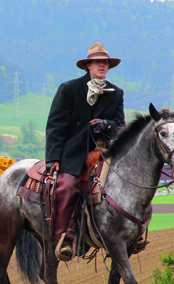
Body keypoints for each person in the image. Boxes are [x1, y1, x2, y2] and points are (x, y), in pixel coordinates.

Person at [45, 43, 125, 261]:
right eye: (98, 62)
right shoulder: (69, 89)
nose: (102, 65)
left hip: (103, 153)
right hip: (72, 152)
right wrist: (53, 158)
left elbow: (120, 125)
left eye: (105, 62)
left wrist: (105, 124)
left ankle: (127, 234)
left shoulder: (116, 93)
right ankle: (63, 237)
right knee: (68, 186)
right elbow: (55, 126)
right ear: (88, 65)